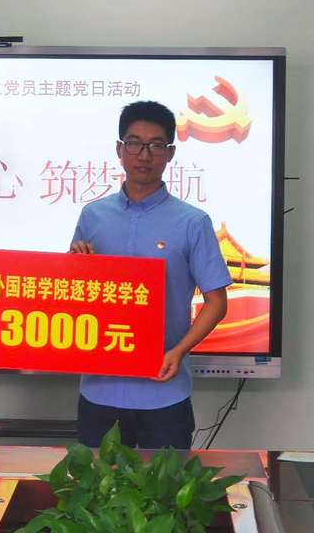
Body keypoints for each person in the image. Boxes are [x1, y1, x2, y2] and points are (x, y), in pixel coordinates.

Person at [70, 101, 232, 449]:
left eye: (156, 145)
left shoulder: (193, 222)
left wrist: (179, 351)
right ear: (120, 149)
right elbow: (75, 293)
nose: (144, 155)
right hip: (100, 389)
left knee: (167, 484)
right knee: (97, 484)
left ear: (170, 153)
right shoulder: (93, 216)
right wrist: (76, 266)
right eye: (134, 143)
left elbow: (217, 302)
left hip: (164, 393)